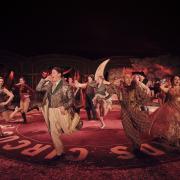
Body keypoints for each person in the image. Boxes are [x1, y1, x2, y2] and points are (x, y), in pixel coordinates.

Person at [36, 67, 82, 159]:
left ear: (59, 74)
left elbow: (71, 100)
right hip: (51, 110)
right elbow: (38, 88)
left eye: (53, 73)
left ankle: (77, 119)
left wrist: (64, 107)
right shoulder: (49, 84)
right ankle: (59, 152)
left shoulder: (65, 85)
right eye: (51, 73)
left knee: (68, 130)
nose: (51, 74)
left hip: (61, 111)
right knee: (53, 132)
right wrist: (45, 79)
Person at [111, 74, 151, 152]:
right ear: (123, 79)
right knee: (128, 130)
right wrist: (114, 82)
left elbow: (145, 96)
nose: (129, 79)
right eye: (126, 78)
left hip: (135, 110)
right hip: (125, 112)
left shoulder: (135, 87)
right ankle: (136, 145)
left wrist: (138, 104)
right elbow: (109, 89)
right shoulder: (120, 88)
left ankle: (139, 142)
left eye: (130, 78)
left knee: (144, 127)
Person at [149, 75, 180, 147]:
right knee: (172, 124)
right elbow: (161, 87)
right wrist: (167, 83)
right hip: (170, 108)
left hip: (178, 107)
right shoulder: (169, 89)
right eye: (175, 79)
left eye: (179, 79)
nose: (177, 81)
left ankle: (176, 139)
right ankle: (175, 140)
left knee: (178, 123)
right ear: (172, 81)